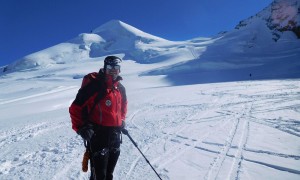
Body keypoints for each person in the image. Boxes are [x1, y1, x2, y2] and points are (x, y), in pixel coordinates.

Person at [69, 56, 128, 180]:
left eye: (116, 68)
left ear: (119, 70)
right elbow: (75, 108)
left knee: (109, 174)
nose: (113, 71)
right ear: (105, 67)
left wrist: (122, 119)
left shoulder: (120, 88)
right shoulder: (95, 86)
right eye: (110, 67)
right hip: (98, 135)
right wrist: (81, 128)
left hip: (115, 135)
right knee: (99, 176)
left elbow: (123, 105)